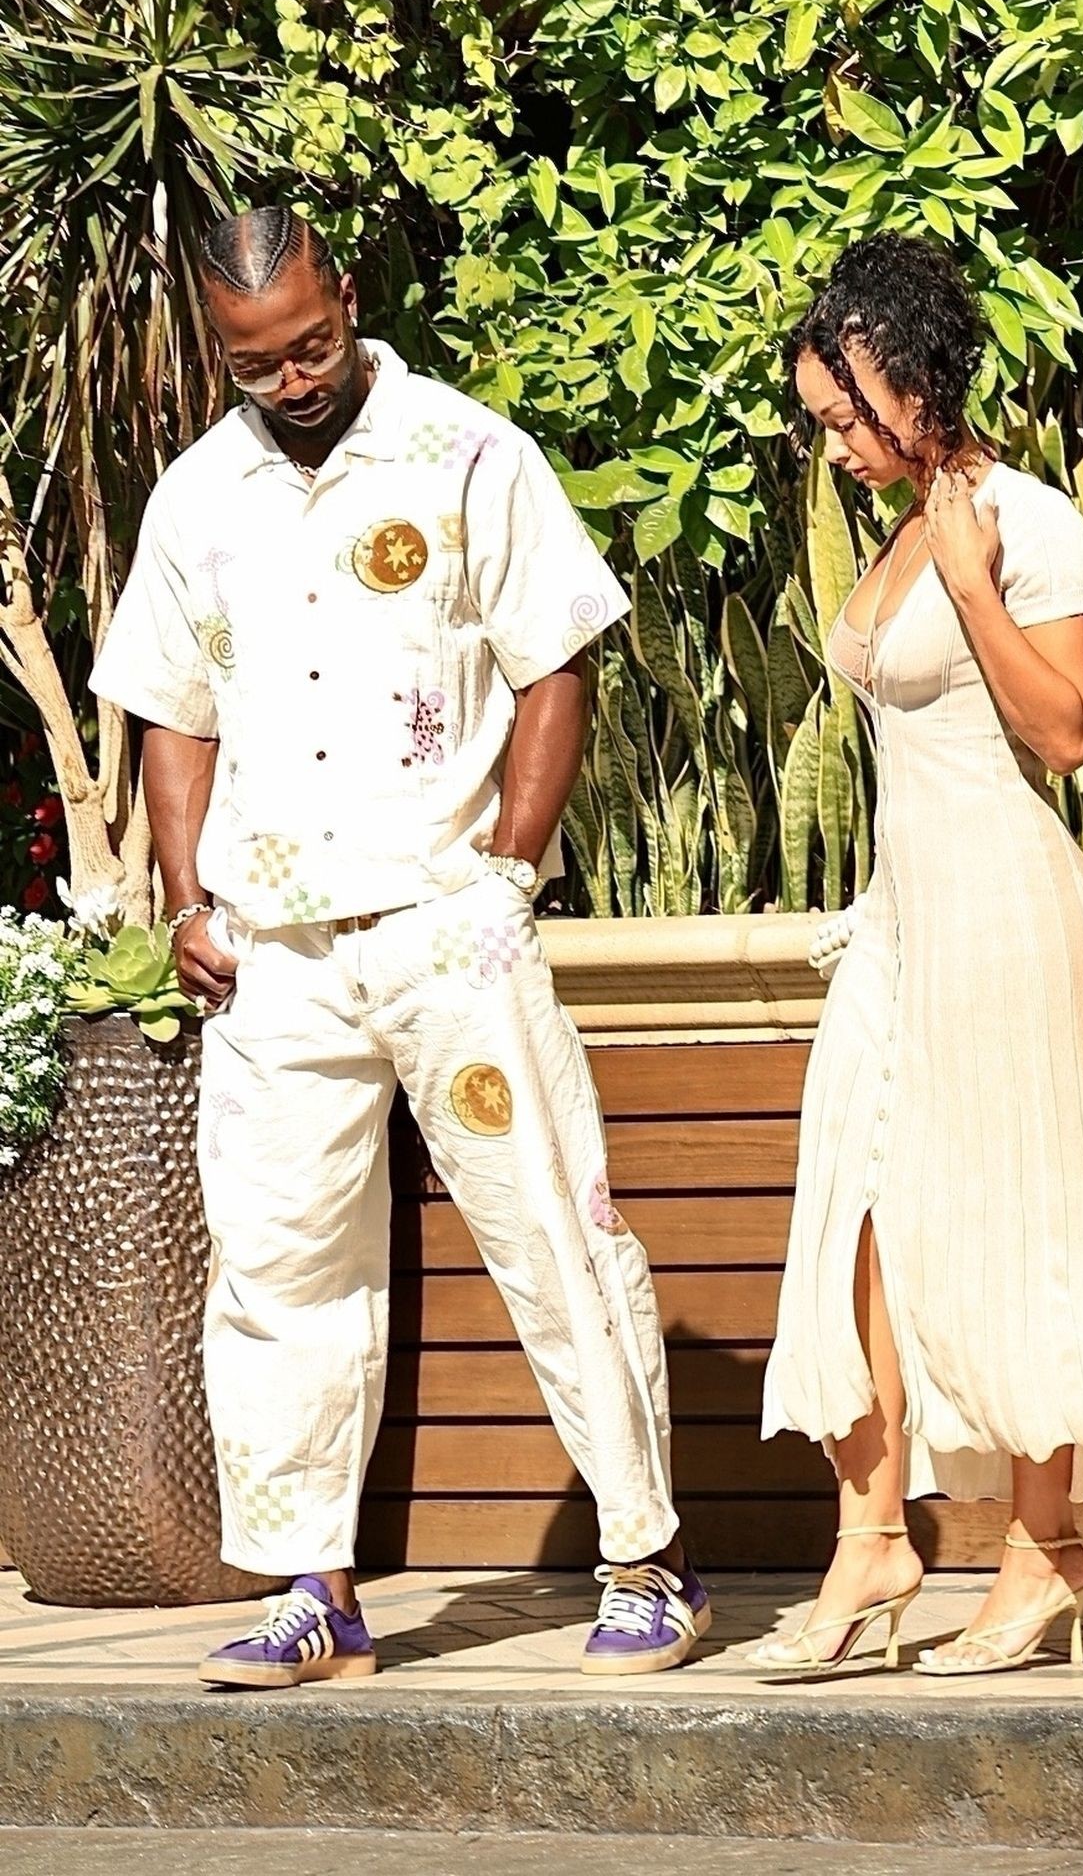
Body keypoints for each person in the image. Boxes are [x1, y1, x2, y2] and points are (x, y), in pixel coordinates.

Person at [90, 206, 709, 1688]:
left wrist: (510, 869)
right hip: (274, 955)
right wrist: (188, 900)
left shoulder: (469, 453)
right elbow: (173, 708)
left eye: (310, 345)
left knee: (553, 1227)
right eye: (258, 363)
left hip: (449, 931)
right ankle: (314, 1591)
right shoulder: (198, 497)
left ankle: (648, 1559)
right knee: (277, 1265)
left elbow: (554, 659)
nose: (293, 379)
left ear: (348, 298)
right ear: (220, 354)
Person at [752, 233, 1083, 1679]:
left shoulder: (1031, 523)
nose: (835, 447)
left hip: (1009, 909)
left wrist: (975, 585)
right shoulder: (898, 534)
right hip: (903, 916)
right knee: (852, 1212)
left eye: (846, 416)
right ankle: (874, 1534)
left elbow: (1066, 732)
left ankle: (1041, 1545)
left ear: (914, 380)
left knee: (1019, 1219)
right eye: (822, 423)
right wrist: (930, 559)